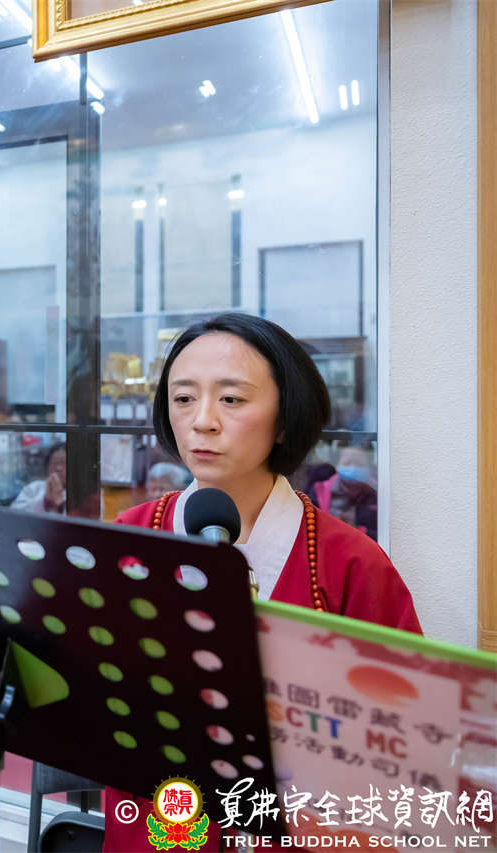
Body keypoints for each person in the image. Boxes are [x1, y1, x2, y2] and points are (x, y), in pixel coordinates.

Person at [105, 313, 420, 852]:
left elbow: (403, 744)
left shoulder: (351, 564)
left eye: (231, 399)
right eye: (183, 399)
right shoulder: (127, 538)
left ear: (285, 418)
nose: (202, 421)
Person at [10, 442, 66, 514]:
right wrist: (45, 501)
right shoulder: (34, 488)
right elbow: (13, 512)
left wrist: (60, 505)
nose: (58, 468)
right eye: (54, 463)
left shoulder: (77, 494)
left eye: (64, 463)